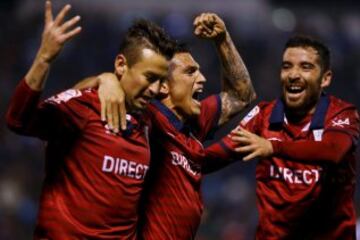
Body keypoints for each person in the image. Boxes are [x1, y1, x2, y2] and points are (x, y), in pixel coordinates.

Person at [6, 1, 176, 239]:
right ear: (121, 65)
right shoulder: (85, 106)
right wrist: (44, 59)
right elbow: (17, 120)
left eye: (160, 80)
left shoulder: (149, 122)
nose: (156, 89)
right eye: (149, 77)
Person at [82, 13, 256, 239]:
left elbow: (241, 94)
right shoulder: (146, 118)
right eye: (190, 72)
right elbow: (76, 102)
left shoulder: (193, 123)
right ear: (162, 85)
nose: (202, 78)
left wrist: (222, 40)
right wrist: (104, 80)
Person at [207, 35, 360, 239]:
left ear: (325, 78)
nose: (293, 74)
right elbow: (211, 159)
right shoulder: (263, 117)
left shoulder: (342, 114)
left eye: (305, 67)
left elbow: (334, 150)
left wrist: (274, 147)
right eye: (287, 66)